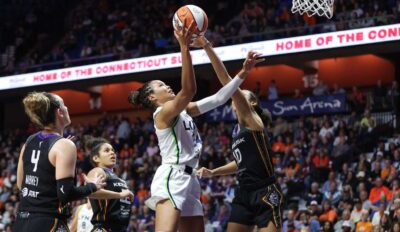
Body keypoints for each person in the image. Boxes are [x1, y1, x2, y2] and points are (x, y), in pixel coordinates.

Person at [127, 20, 256, 232]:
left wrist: (243, 73)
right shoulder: (162, 114)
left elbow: (219, 98)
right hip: (172, 175)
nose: (167, 85)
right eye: (160, 85)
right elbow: (188, 91)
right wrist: (184, 47)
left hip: (191, 178)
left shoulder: (184, 110)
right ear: (152, 97)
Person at [196, 35, 283, 232]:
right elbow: (241, 163)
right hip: (244, 193)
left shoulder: (253, 119)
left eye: (242, 92)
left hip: (265, 191)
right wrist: (214, 172)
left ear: (251, 102)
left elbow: (227, 81)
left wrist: (207, 47)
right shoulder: (237, 130)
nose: (237, 92)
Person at [13, 92, 106, 232]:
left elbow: (20, 183)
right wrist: (92, 187)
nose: (67, 108)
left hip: (22, 221)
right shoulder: (64, 145)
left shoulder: (29, 141)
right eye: (64, 105)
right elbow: (66, 194)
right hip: (48, 222)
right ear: (59, 112)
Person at [85, 136, 134, 232]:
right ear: (96, 158)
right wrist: (119, 195)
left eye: (113, 150)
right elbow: (90, 191)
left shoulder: (118, 178)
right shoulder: (98, 171)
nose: (112, 153)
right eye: (107, 151)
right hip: (104, 227)